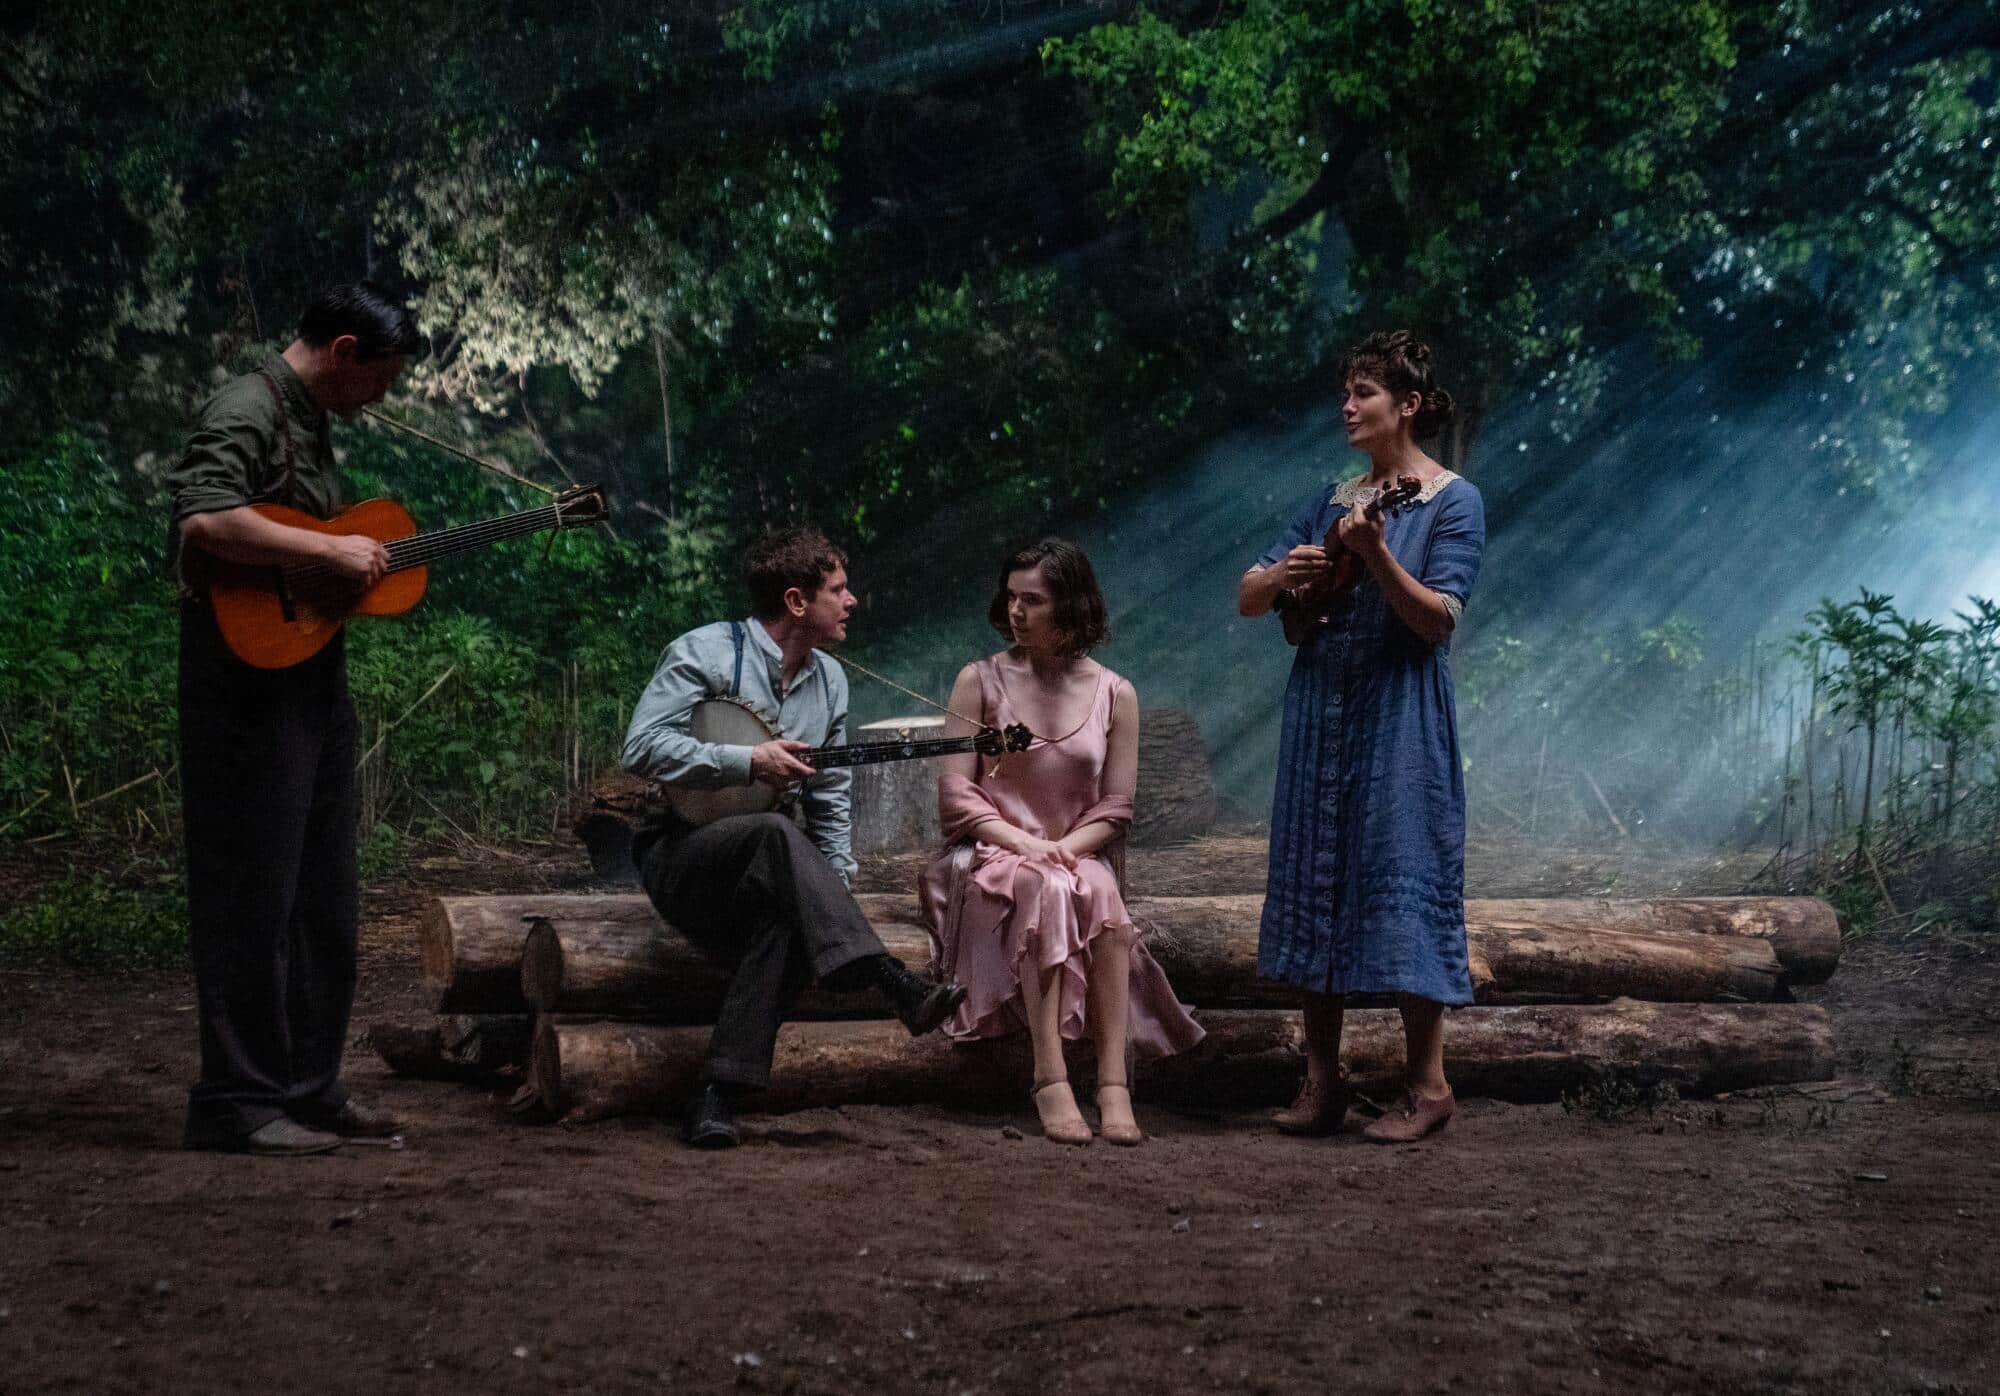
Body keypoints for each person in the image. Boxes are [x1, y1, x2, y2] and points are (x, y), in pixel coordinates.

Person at [171, 281, 426, 1154]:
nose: (383, 397)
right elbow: (205, 521)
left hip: (310, 678)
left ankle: (310, 1088)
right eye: (380, 377)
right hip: (240, 687)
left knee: (324, 901)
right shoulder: (245, 407)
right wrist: (326, 547)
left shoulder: (310, 418)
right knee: (253, 897)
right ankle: (236, 1103)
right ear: (344, 352)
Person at [623, 527, 968, 1148]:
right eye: (839, 589)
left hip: (769, 863)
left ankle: (715, 1097)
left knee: (786, 918)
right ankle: (890, 980)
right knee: (777, 830)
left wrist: (829, 888)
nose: (852, 600)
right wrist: (748, 761)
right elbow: (640, 747)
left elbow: (830, 793)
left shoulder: (830, 679)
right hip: (681, 853)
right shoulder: (703, 651)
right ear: (796, 601)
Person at [1237, 329, 1486, 1144]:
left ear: (1408, 405)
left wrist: (1375, 555)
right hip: (1320, 710)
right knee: (1318, 877)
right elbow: (1248, 595)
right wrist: (1286, 576)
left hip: (1400, 710)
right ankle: (1321, 1082)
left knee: (1405, 871)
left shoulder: (1455, 500)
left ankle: (1428, 1086)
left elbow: (1437, 623)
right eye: (1345, 392)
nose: (1347, 406)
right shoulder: (1332, 494)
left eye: (1365, 393)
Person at [921, 539, 1203, 1146]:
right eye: (1012, 598)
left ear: (1071, 607)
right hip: (991, 855)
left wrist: (1068, 848)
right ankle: (1049, 1079)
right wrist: (1027, 845)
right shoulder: (979, 681)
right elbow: (957, 800)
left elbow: (1116, 807)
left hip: (1075, 852)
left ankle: (1112, 1085)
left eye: (1034, 600)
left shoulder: (1114, 693)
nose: (1016, 611)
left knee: (1100, 891)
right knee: (1046, 888)